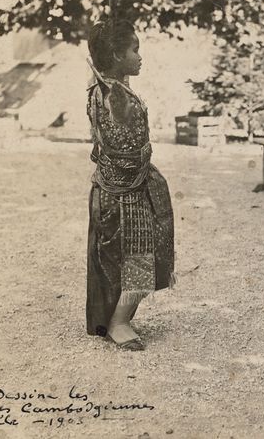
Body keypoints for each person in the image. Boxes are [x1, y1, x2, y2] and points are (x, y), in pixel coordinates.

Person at [86, 19, 175, 351]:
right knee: (142, 255)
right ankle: (119, 321)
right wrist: (141, 170)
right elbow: (125, 150)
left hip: (115, 187)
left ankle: (117, 317)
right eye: (134, 49)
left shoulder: (102, 90)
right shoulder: (115, 98)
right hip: (126, 192)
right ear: (116, 53)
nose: (140, 56)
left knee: (131, 256)